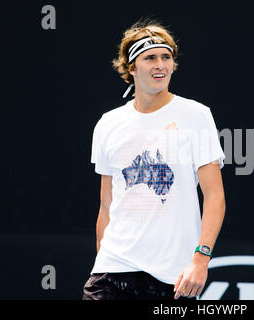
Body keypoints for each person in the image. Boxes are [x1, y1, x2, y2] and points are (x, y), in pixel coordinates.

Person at [82, 19, 226, 300]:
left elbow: (215, 196)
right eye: (150, 58)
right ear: (132, 67)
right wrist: (103, 260)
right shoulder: (108, 123)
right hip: (112, 270)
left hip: (172, 277)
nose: (160, 64)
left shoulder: (196, 115)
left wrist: (201, 259)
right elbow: (106, 203)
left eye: (166, 57)